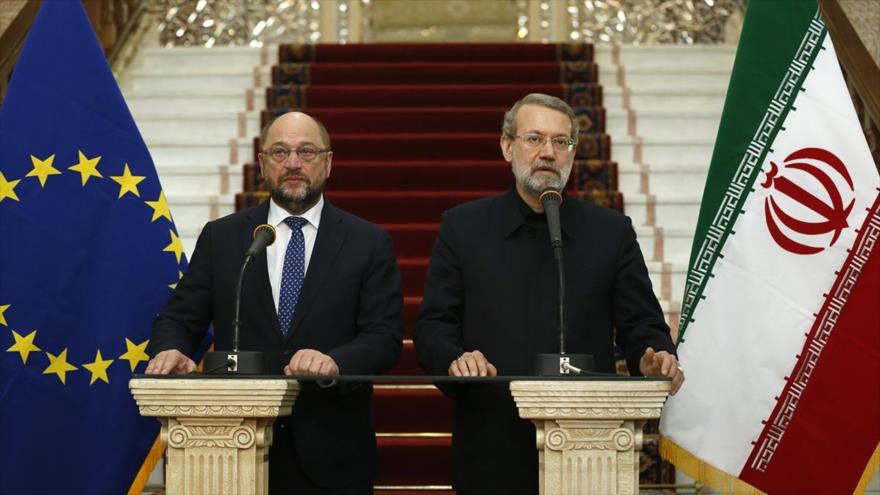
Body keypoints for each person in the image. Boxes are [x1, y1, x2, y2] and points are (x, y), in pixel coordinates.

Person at [412, 93, 684, 495]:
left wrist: (654, 353)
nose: (548, 153)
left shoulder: (611, 231)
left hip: (592, 443)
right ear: (507, 146)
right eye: (534, 139)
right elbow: (434, 325)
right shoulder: (464, 228)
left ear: (573, 152)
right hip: (493, 441)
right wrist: (456, 358)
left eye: (561, 142)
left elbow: (641, 323)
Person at [145, 111, 404, 494]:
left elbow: (384, 338)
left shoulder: (368, 242)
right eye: (280, 152)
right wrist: (171, 349)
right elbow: (181, 316)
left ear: (328, 163)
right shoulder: (224, 238)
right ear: (262, 163)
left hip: (332, 453)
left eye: (307, 152)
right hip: (231, 446)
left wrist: (335, 361)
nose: (294, 163)